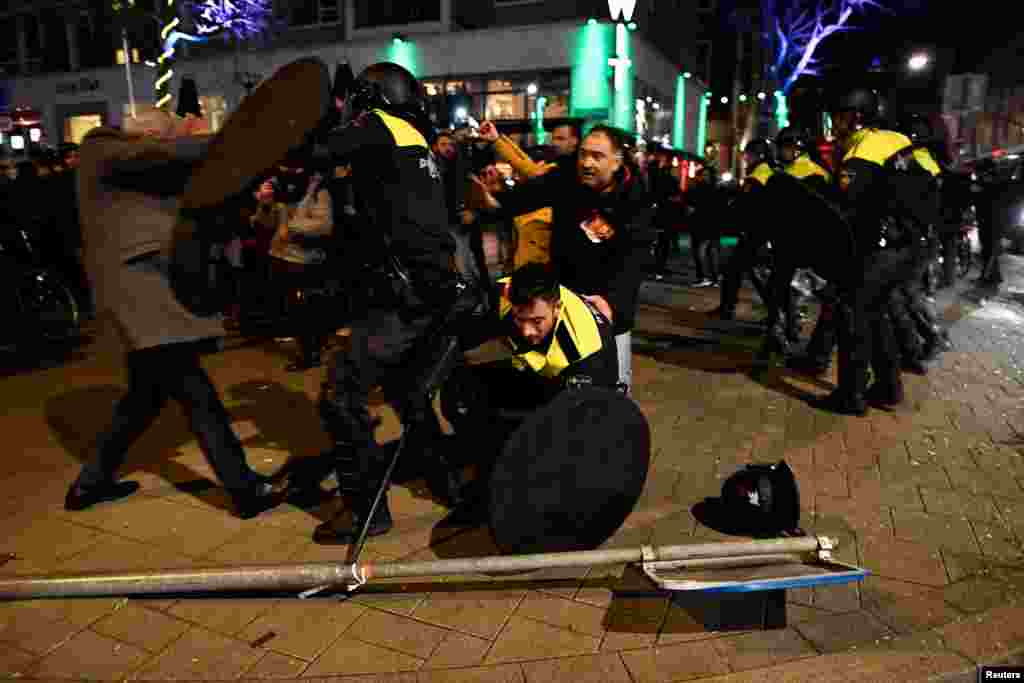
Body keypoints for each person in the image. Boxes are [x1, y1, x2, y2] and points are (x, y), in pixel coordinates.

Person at [65, 107, 292, 517]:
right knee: (197, 394)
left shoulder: (123, 166)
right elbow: (164, 158)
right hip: (141, 297)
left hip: (145, 296)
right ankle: (245, 491)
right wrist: (240, 138)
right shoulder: (103, 149)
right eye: (166, 137)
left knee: (142, 400)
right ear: (150, 135)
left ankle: (89, 484)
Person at [310, 62, 469, 545]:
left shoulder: (375, 128)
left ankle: (366, 512)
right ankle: (449, 486)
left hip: (401, 296)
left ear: (370, 97)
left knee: (340, 396)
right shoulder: (414, 139)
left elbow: (319, 150)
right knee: (406, 392)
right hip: (434, 290)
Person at [472, 124, 653, 394]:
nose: (587, 163)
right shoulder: (565, 178)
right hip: (564, 298)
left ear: (617, 162)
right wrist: (494, 202)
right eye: (583, 154)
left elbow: (634, 260)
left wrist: (612, 302)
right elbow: (527, 195)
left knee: (611, 393)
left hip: (607, 307)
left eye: (597, 156)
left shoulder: (634, 199)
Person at [443, 262, 618, 521]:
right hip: (535, 370)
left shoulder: (589, 350)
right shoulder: (505, 294)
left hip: (575, 391)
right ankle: (485, 465)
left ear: (557, 308)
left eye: (537, 321)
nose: (527, 331)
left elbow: (582, 422)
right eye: (519, 319)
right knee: (459, 393)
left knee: (535, 437)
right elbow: (476, 327)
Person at [818, 88, 933, 415]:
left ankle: (850, 395)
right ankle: (887, 387)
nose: (835, 123)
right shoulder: (896, 140)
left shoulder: (864, 146)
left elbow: (847, 202)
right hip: (909, 245)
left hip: (881, 247)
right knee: (876, 312)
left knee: (852, 312)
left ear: (855, 117)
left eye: (839, 116)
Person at [711, 138, 778, 320]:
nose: (745, 158)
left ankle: (775, 311)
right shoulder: (765, 172)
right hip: (756, 233)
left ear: (758, 155)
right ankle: (775, 311)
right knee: (745, 272)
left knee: (741, 271)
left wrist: (732, 203)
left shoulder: (759, 174)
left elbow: (747, 204)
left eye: (748, 154)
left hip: (751, 233)